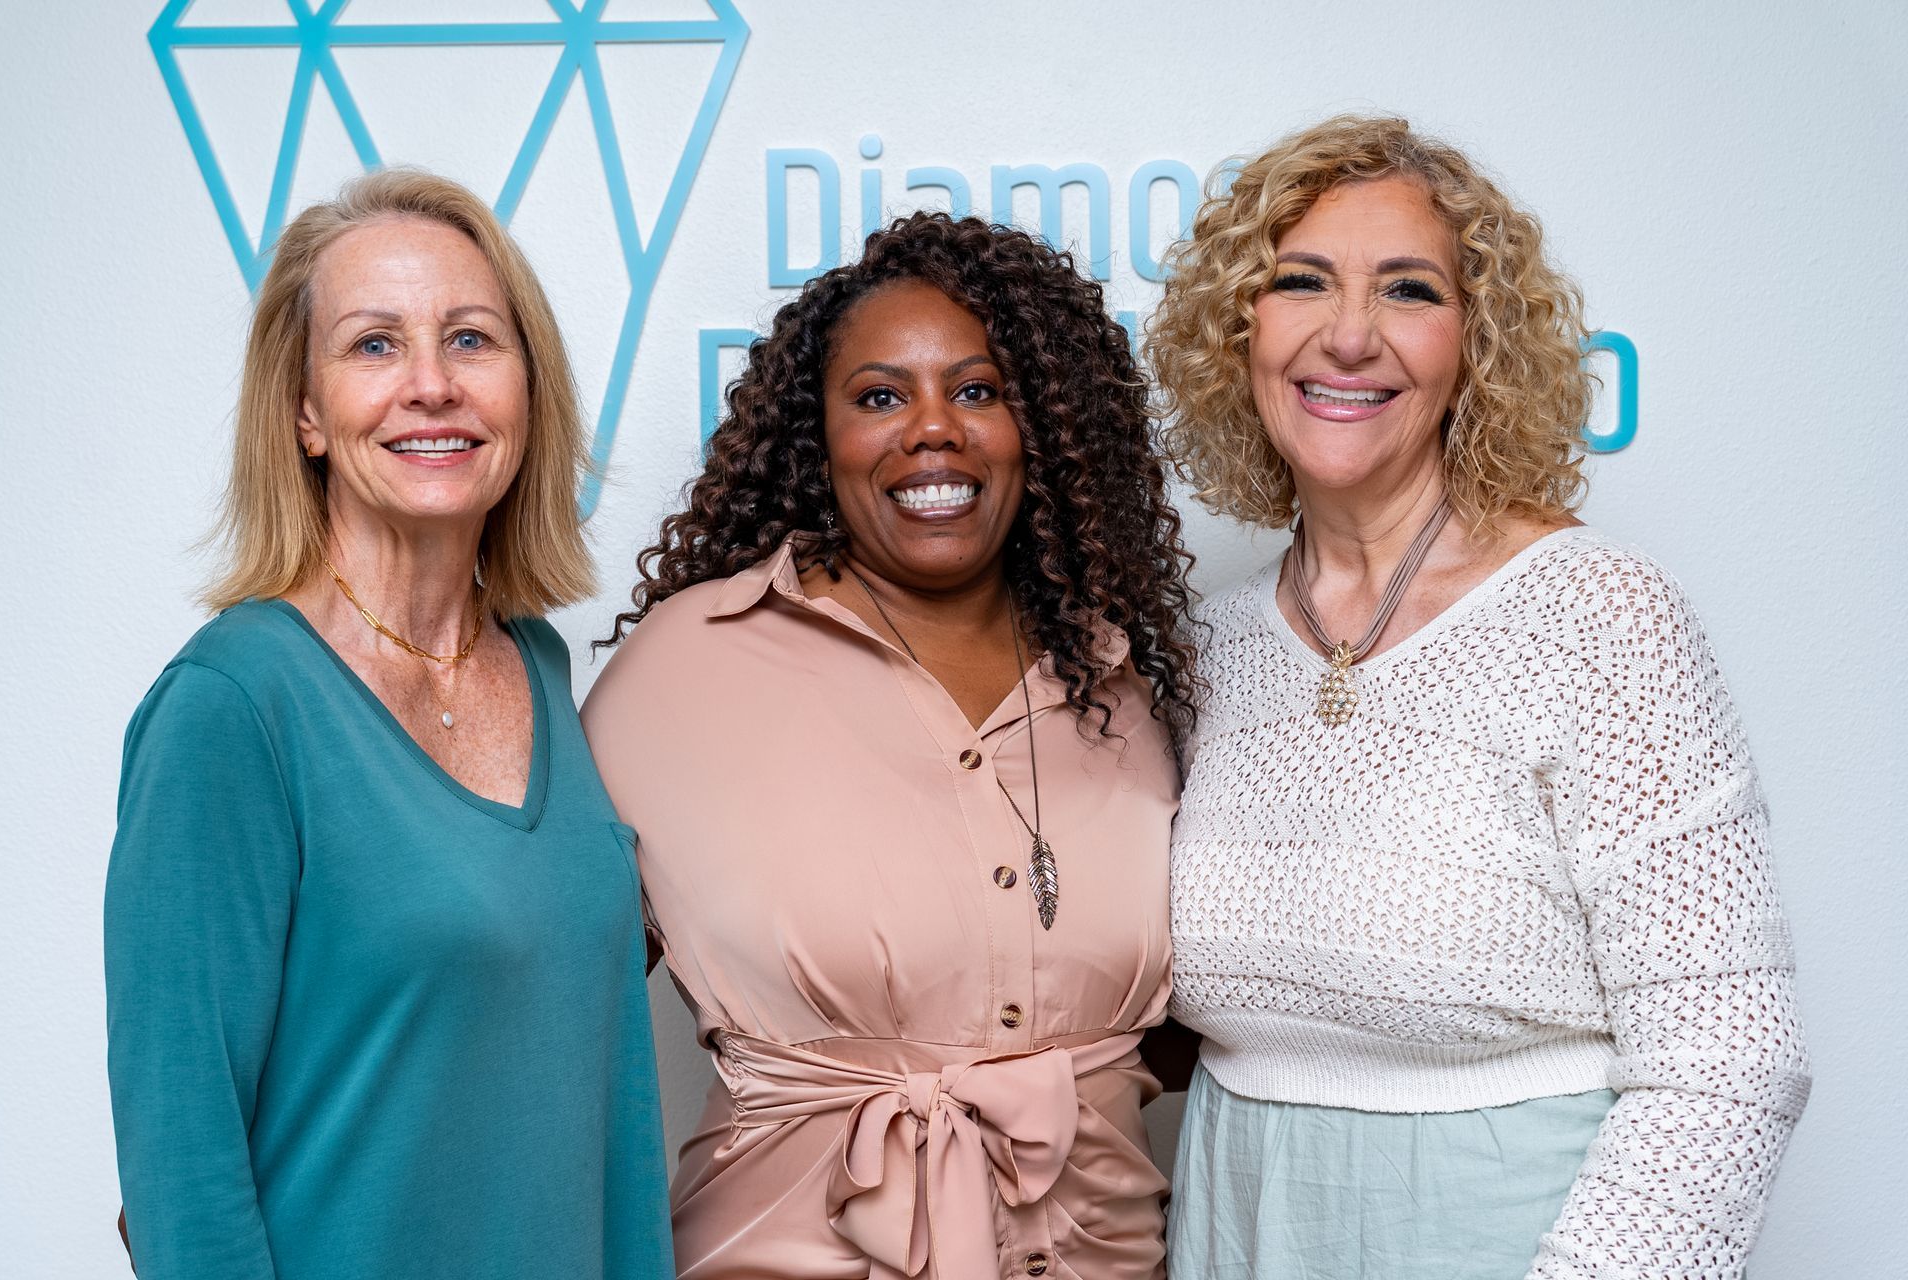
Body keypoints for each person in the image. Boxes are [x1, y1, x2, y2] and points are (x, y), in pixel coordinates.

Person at [1147, 115, 1810, 1280]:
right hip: (1238, 1225)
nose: (1348, 336)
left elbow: (1730, 1057)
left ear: (1478, 344)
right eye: (1300, 281)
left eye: (1408, 290)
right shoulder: (1215, 646)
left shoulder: (1601, 618)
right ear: (1238, 331)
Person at [582, 211, 1198, 1280]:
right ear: (820, 435)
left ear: (1041, 424)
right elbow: (545, 1009)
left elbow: (1216, 1012)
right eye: (879, 396)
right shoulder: (686, 670)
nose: (933, 431)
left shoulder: (1127, 687)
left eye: (978, 390)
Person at [104, 169, 672, 1280]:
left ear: (526, 390)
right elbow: (183, 1165)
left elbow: (603, 1100)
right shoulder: (232, 709)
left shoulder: (540, 666)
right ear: (304, 411)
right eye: (373, 345)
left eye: (470, 339)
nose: (430, 385)